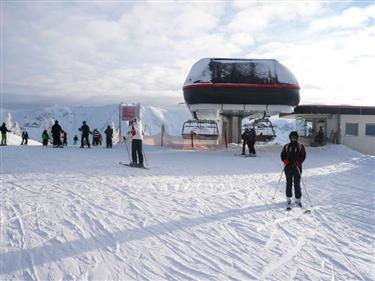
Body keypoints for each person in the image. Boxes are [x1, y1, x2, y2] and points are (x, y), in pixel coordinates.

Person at [280, 131, 306, 209]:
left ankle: (298, 199)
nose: (293, 139)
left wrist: (298, 162)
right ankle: (288, 198)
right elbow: (282, 155)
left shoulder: (301, 146)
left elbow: (303, 156)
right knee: (289, 183)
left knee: (297, 183)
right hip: (288, 167)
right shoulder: (286, 146)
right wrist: (285, 160)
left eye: (295, 137)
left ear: (297, 138)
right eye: (292, 137)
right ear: (290, 138)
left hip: (297, 167)